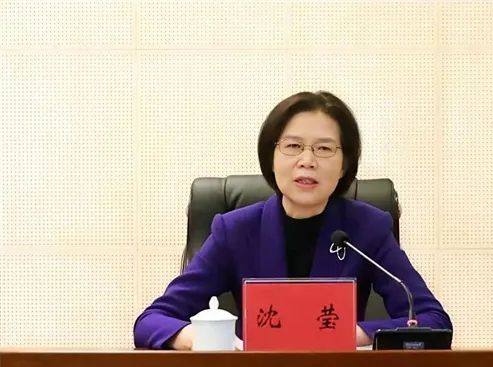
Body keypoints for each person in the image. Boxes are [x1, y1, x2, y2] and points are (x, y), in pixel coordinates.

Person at [134, 91, 452, 350]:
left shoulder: (367, 228)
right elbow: (152, 321)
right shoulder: (235, 230)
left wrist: (349, 334)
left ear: (344, 164)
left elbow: (432, 320)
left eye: (324, 148)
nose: (307, 161)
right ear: (272, 158)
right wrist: (209, 339)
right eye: (293, 146)